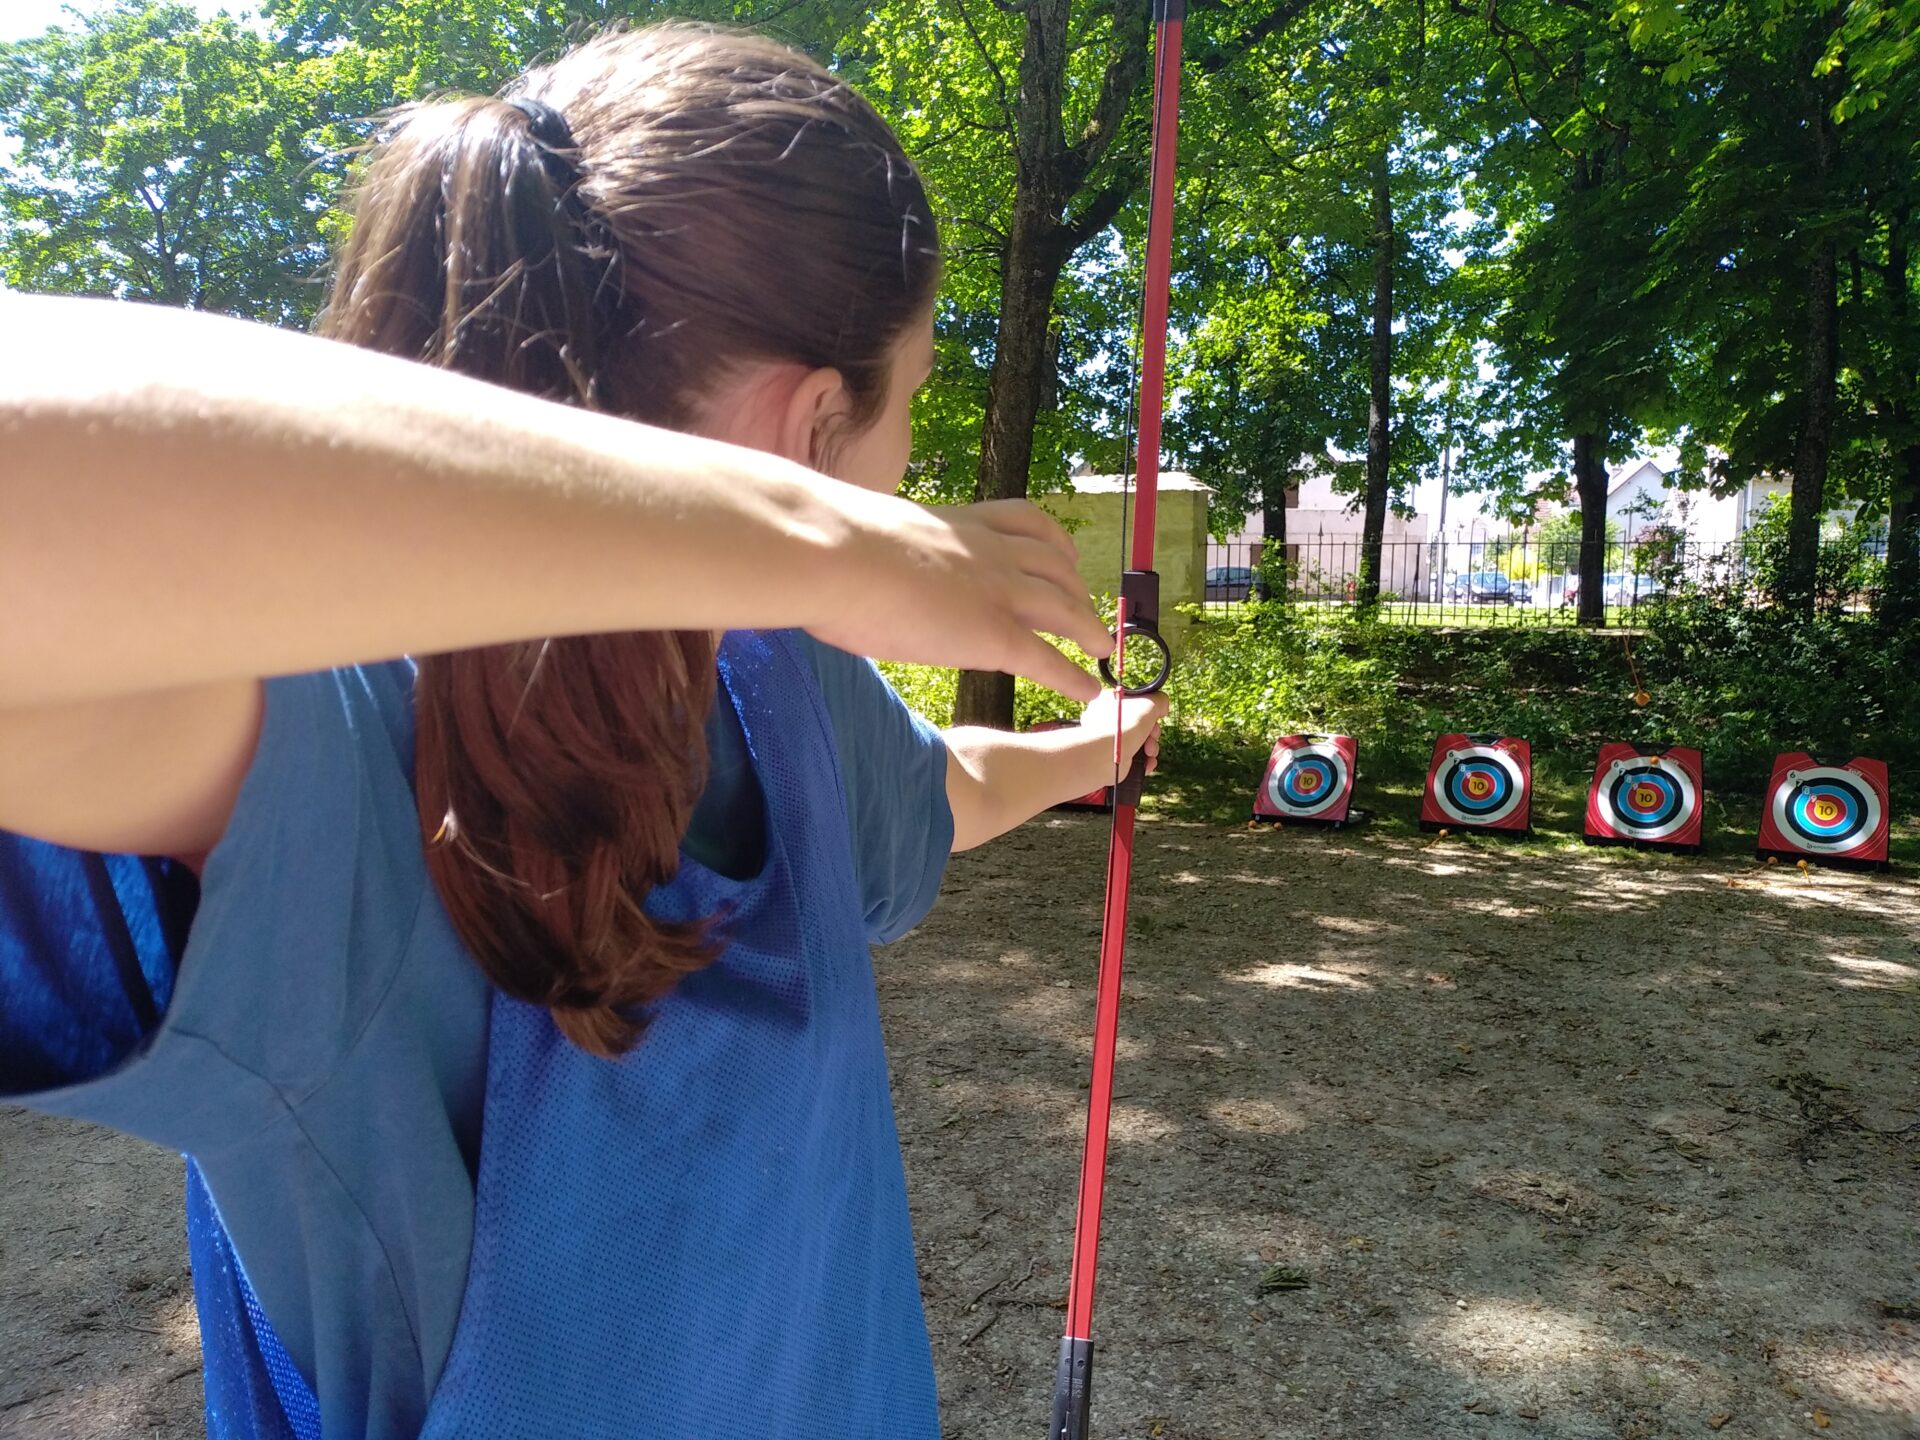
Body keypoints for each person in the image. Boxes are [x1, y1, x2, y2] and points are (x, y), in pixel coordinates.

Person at [0, 22, 1166, 1440]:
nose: (907, 469)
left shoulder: (772, 684)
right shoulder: (337, 748)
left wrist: (1100, 744)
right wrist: (816, 540)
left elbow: (933, 790)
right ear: (810, 426)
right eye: (908, 401)